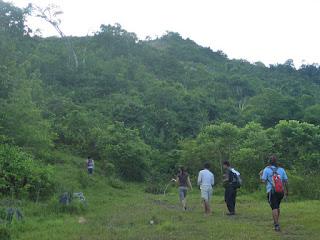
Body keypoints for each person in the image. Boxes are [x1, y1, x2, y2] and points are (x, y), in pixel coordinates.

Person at [261, 155, 288, 232]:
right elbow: (286, 181)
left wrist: (261, 175)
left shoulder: (266, 169)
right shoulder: (282, 169)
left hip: (271, 191)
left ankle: (276, 225)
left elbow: (263, 181)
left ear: (269, 161)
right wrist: (286, 192)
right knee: (277, 206)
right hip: (281, 191)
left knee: (274, 207)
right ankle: (276, 221)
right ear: (276, 161)